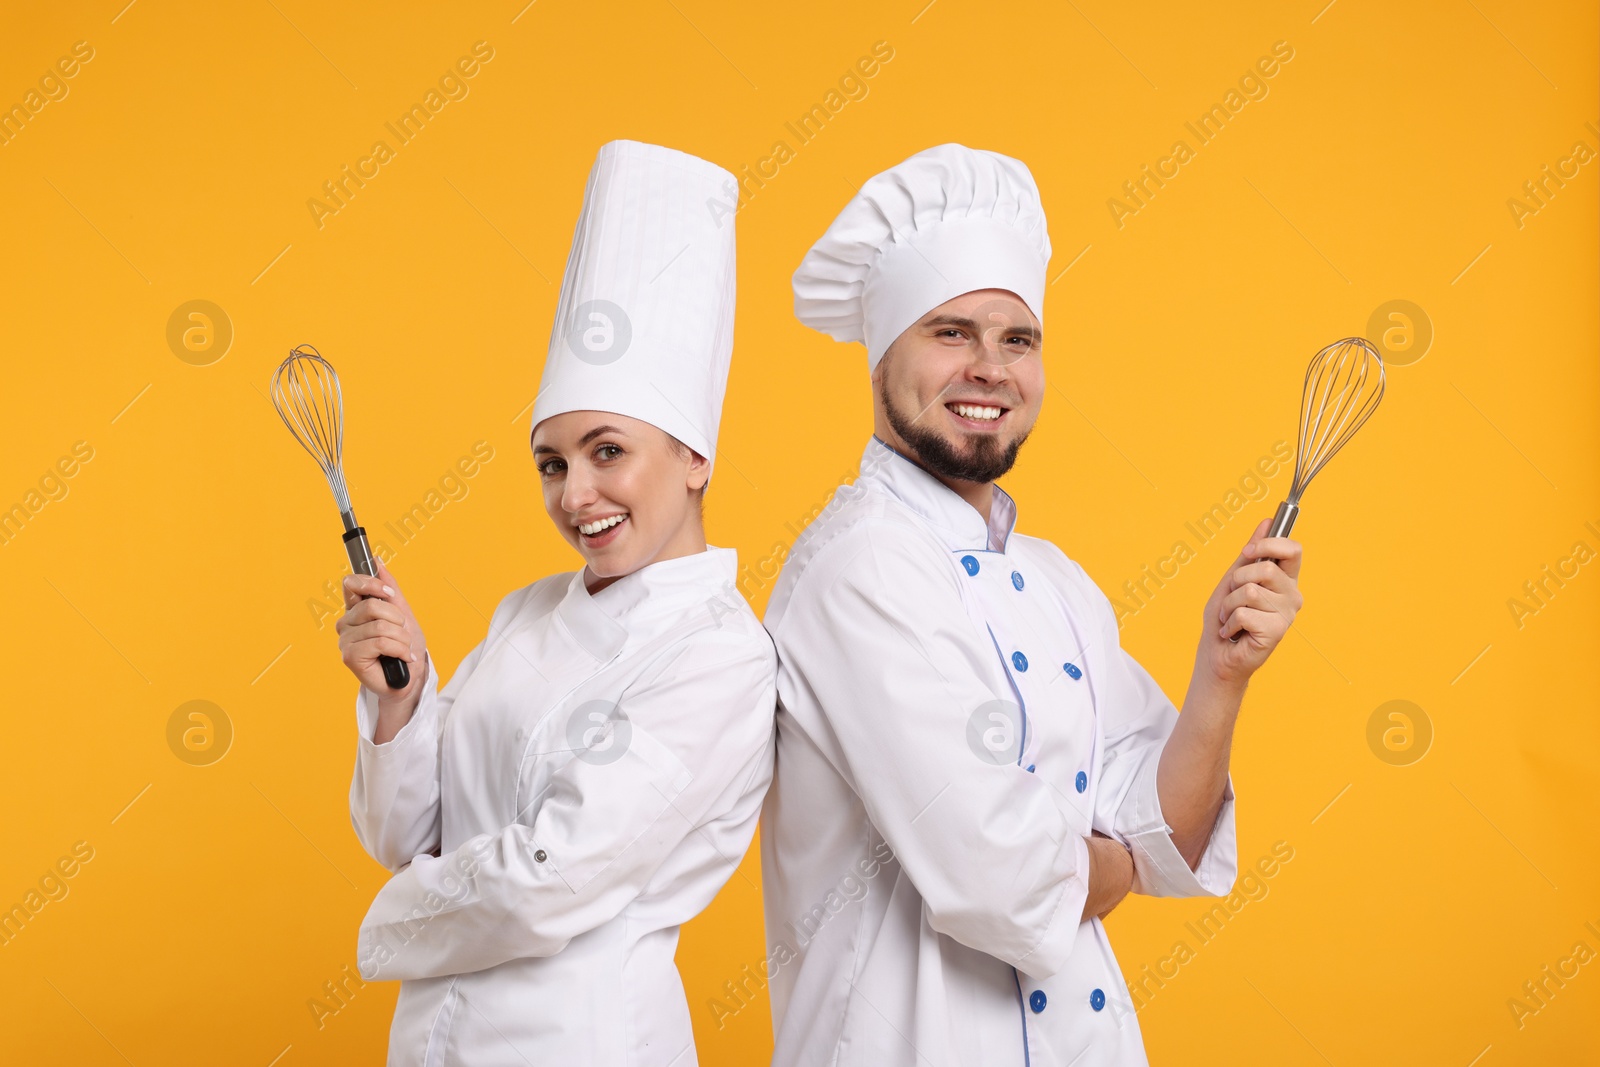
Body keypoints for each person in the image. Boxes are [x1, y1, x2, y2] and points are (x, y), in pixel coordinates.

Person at [760, 143, 1304, 1066]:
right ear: (882, 354)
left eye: (1018, 339)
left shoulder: (1056, 581)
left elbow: (1165, 822)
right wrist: (1115, 860)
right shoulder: (856, 569)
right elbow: (999, 876)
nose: (990, 369)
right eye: (950, 332)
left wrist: (1222, 676)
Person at [336, 139, 776, 1066]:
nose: (576, 494)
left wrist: (391, 918)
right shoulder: (526, 611)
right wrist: (405, 696)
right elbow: (400, 832)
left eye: (607, 451)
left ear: (695, 456)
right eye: (552, 462)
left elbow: (550, 878)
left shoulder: (720, 654)